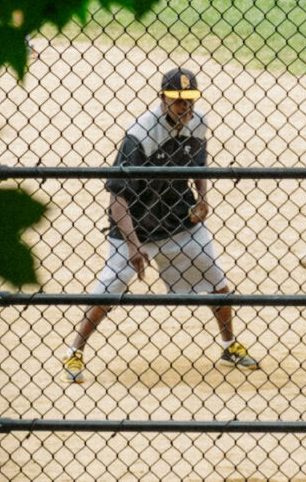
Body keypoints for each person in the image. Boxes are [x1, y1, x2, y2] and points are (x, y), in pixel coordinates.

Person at [62, 67, 260, 382]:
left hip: (179, 221)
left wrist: (202, 198)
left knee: (217, 282)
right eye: (178, 101)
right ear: (162, 99)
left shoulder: (198, 122)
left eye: (190, 101)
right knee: (109, 289)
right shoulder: (140, 134)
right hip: (135, 227)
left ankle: (228, 345)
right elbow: (117, 198)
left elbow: (199, 165)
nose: (185, 107)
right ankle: (76, 352)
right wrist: (132, 244)